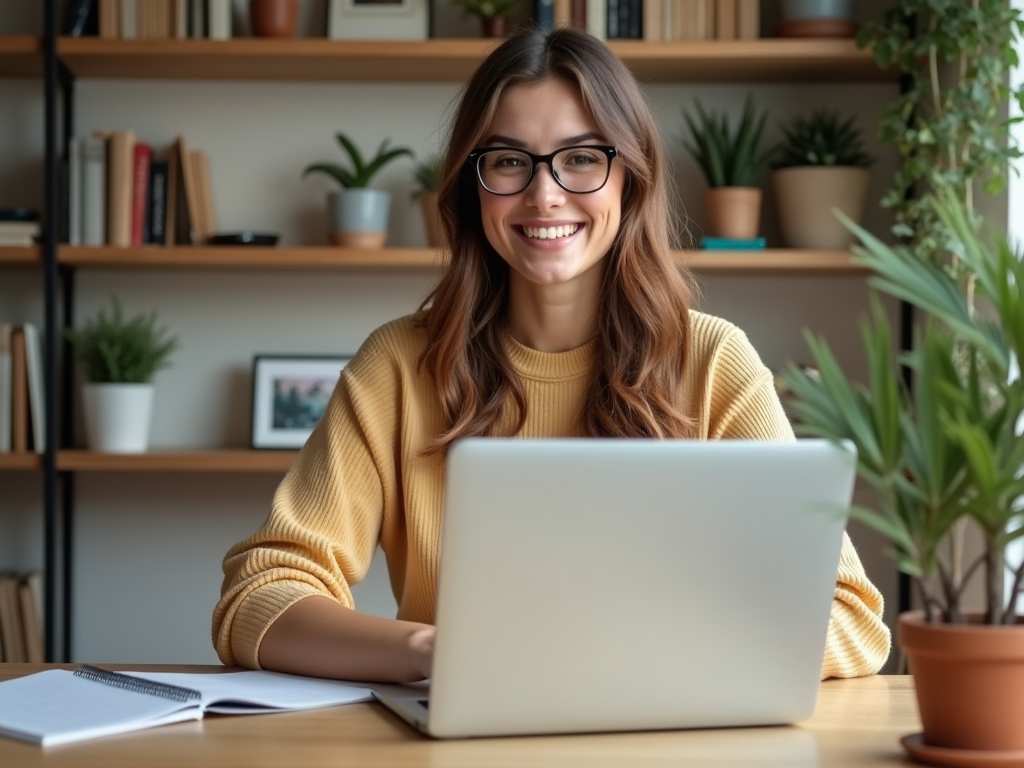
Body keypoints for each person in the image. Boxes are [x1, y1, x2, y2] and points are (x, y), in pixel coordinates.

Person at [212, 26, 891, 683]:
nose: (544, 193)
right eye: (508, 160)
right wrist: (432, 652)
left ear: (629, 179)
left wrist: (639, 657)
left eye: (581, 158)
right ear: (471, 186)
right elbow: (260, 594)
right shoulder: (397, 364)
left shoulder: (713, 362)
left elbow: (847, 616)